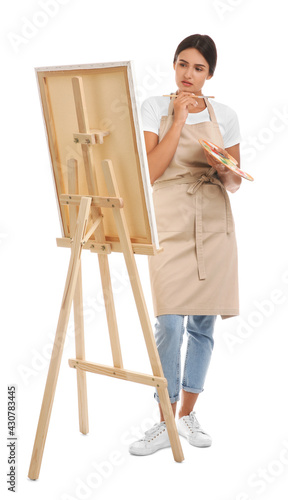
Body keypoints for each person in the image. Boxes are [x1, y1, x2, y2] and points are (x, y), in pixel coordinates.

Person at [129, 34, 241, 456]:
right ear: (173, 66)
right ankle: (164, 422)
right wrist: (177, 119)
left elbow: (234, 182)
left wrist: (222, 166)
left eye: (198, 68)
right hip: (170, 220)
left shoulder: (225, 114)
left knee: (202, 325)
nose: (188, 74)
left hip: (213, 221)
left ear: (210, 73)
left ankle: (188, 416)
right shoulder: (154, 108)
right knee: (170, 324)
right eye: (182, 64)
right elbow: (151, 172)